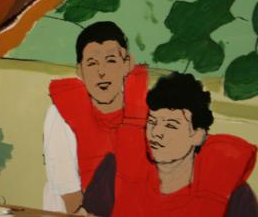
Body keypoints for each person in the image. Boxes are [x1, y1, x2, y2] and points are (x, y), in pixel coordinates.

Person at [109, 72, 257, 216]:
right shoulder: (115, 171)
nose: (156, 132)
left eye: (171, 126)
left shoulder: (233, 194)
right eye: (152, 122)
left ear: (198, 135)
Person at [42, 21, 148, 214]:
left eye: (111, 60)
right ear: (80, 70)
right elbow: (71, 200)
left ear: (127, 64)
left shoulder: (146, 114)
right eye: (92, 63)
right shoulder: (61, 114)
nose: (101, 71)